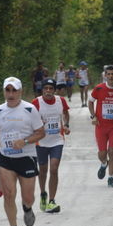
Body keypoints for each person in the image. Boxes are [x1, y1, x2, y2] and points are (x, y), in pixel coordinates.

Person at [0, 77, 45, 226]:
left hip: (26, 157)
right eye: (7, 90)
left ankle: (27, 207)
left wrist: (24, 141)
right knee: (8, 194)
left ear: (20, 91)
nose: (11, 94)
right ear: (4, 91)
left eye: (14, 90)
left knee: (28, 197)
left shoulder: (30, 110)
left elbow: (41, 133)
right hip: (6, 157)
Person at [31, 78, 70, 213]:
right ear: (42, 90)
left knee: (54, 168)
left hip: (57, 140)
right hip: (41, 141)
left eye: (51, 88)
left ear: (55, 90)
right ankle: (43, 193)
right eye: (45, 88)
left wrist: (66, 125)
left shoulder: (61, 101)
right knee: (43, 170)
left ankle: (52, 201)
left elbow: (65, 113)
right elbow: (29, 120)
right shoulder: (36, 102)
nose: (48, 91)